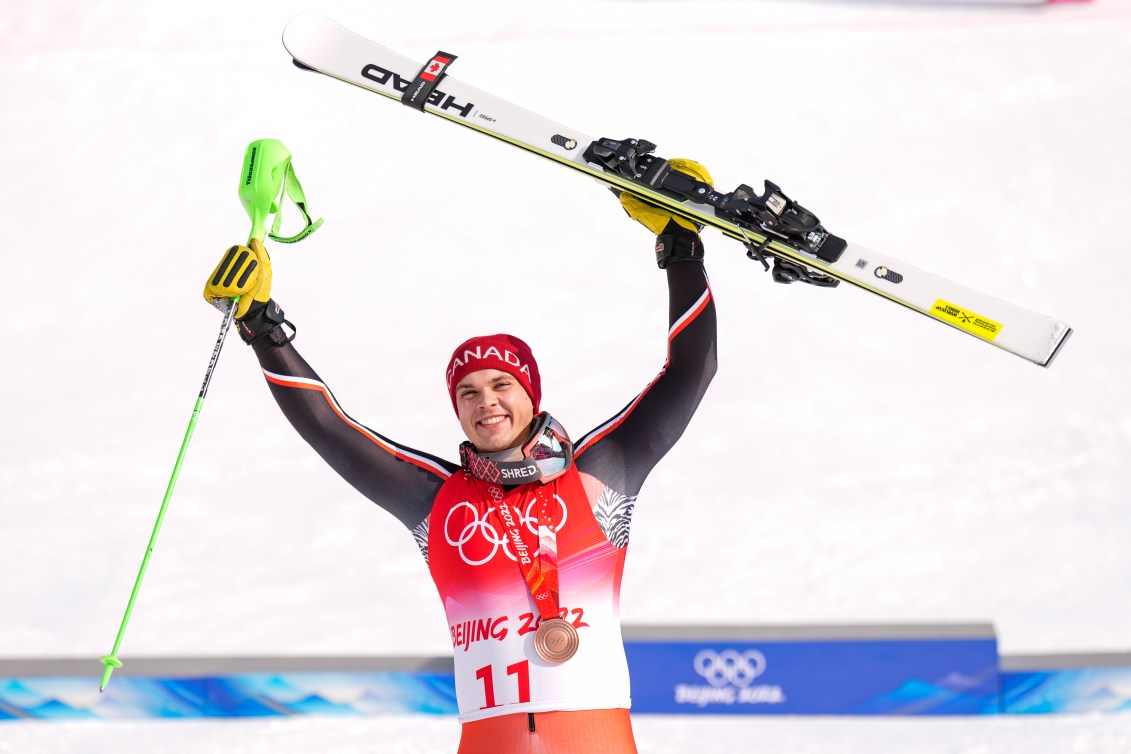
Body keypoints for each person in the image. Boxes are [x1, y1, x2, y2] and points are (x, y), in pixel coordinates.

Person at [203, 160, 718, 753]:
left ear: (531, 394)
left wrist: (681, 250)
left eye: (502, 385)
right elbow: (332, 429)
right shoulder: (436, 498)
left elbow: (690, 372)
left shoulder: (602, 474)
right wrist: (263, 328)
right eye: (468, 393)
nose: (486, 403)